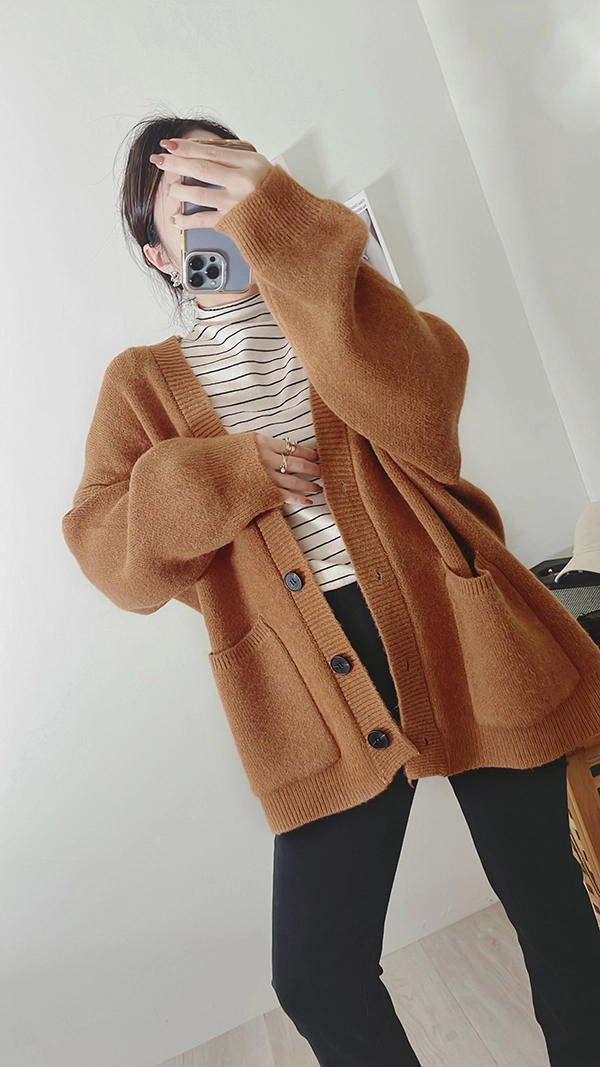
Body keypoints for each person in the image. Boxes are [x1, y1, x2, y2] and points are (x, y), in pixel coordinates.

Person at [62, 114, 600, 1067]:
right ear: (157, 253)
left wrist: (293, 232)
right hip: (312, 680)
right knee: (317, 974)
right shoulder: (141, 385)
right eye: (187, 204)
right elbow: (109, 554)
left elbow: (429, 419)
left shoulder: (339, 300)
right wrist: (227, 472)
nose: (217, 215)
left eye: (228, 184)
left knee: (553, 904)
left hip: (455, 625)